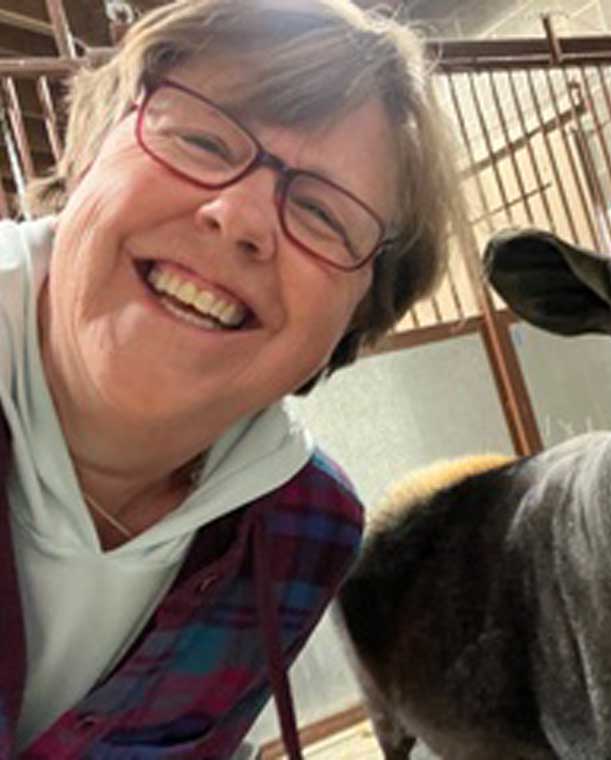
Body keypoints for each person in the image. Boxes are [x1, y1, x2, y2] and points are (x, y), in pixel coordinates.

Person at [0, 0, 465, 756]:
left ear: (352, 323)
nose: (241, 217)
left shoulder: (305, 531)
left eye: (320, 212)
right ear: (89, 153)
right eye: (202, 140)